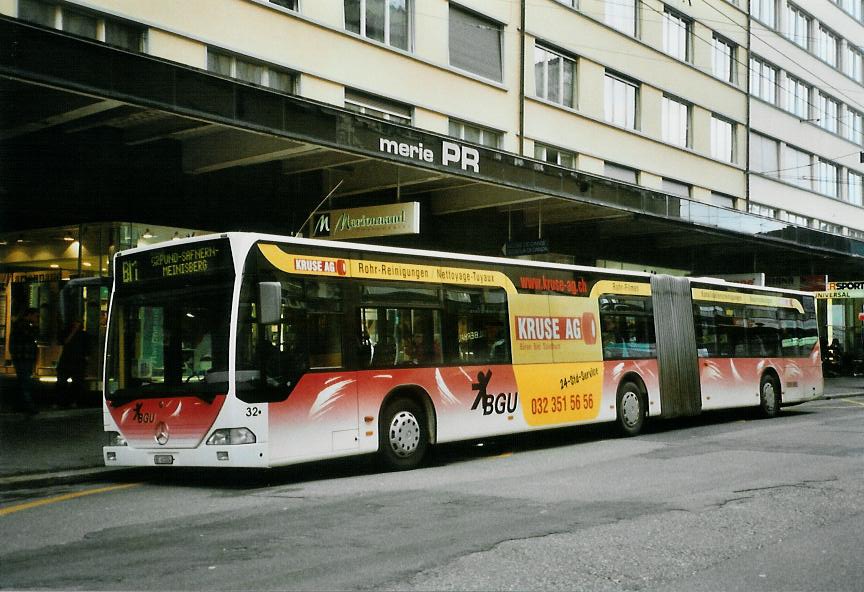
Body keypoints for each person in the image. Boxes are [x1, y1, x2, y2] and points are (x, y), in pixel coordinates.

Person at [10, 308, 39, 414]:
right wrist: (35, 326)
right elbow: (32, 336)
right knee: (25, 381)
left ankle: (19, 405)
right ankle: (28, 405)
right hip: (24, 357)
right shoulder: (23, 326)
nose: (37, 318)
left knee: (22, 381)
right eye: (35, 316)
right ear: (29, 315)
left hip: (21, 357)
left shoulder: (19, 325)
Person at [56, 319, 88, 406]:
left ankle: (73, 401)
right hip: (67, 360)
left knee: (77, 383)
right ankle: (62, 401)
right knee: (62, 382)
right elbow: (64, 342)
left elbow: (87, 348)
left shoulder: (83, 335)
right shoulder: (66, 332)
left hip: (77, 361)